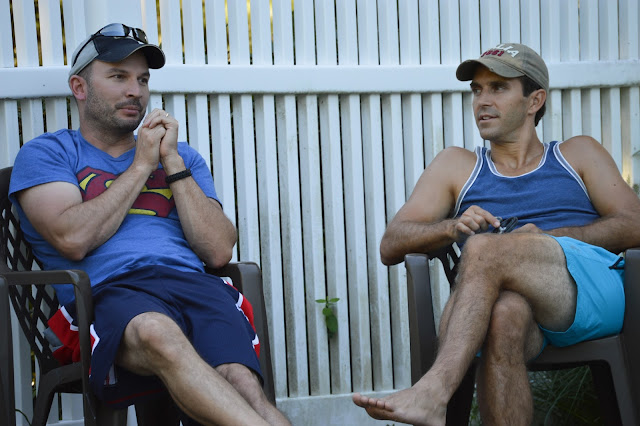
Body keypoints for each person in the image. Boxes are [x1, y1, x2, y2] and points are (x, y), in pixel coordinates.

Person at [9, 23, 290, 426]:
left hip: (193, 286)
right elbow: (72, 238)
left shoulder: (182, 157)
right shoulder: (49, 153)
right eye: (118, 76)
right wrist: (142, 164)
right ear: (79, 87)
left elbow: (218, 251)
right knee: (157, 331)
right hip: (108, 293)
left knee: (242, 381)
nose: (135, 91)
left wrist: (171, 163)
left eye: (142, 80)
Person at [352, 42, 640, 425]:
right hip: (509, 306)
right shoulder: (457, 165)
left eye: (498, 88)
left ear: (534, 100)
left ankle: (434, 391)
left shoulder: (577, 154)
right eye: (477, 90)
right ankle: (437, 395)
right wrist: (451, 226)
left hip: (587, 292)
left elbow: (634, 223)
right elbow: (392, 244)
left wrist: (545, 239)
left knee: (485, 248)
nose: (482, 101)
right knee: (504, 316)